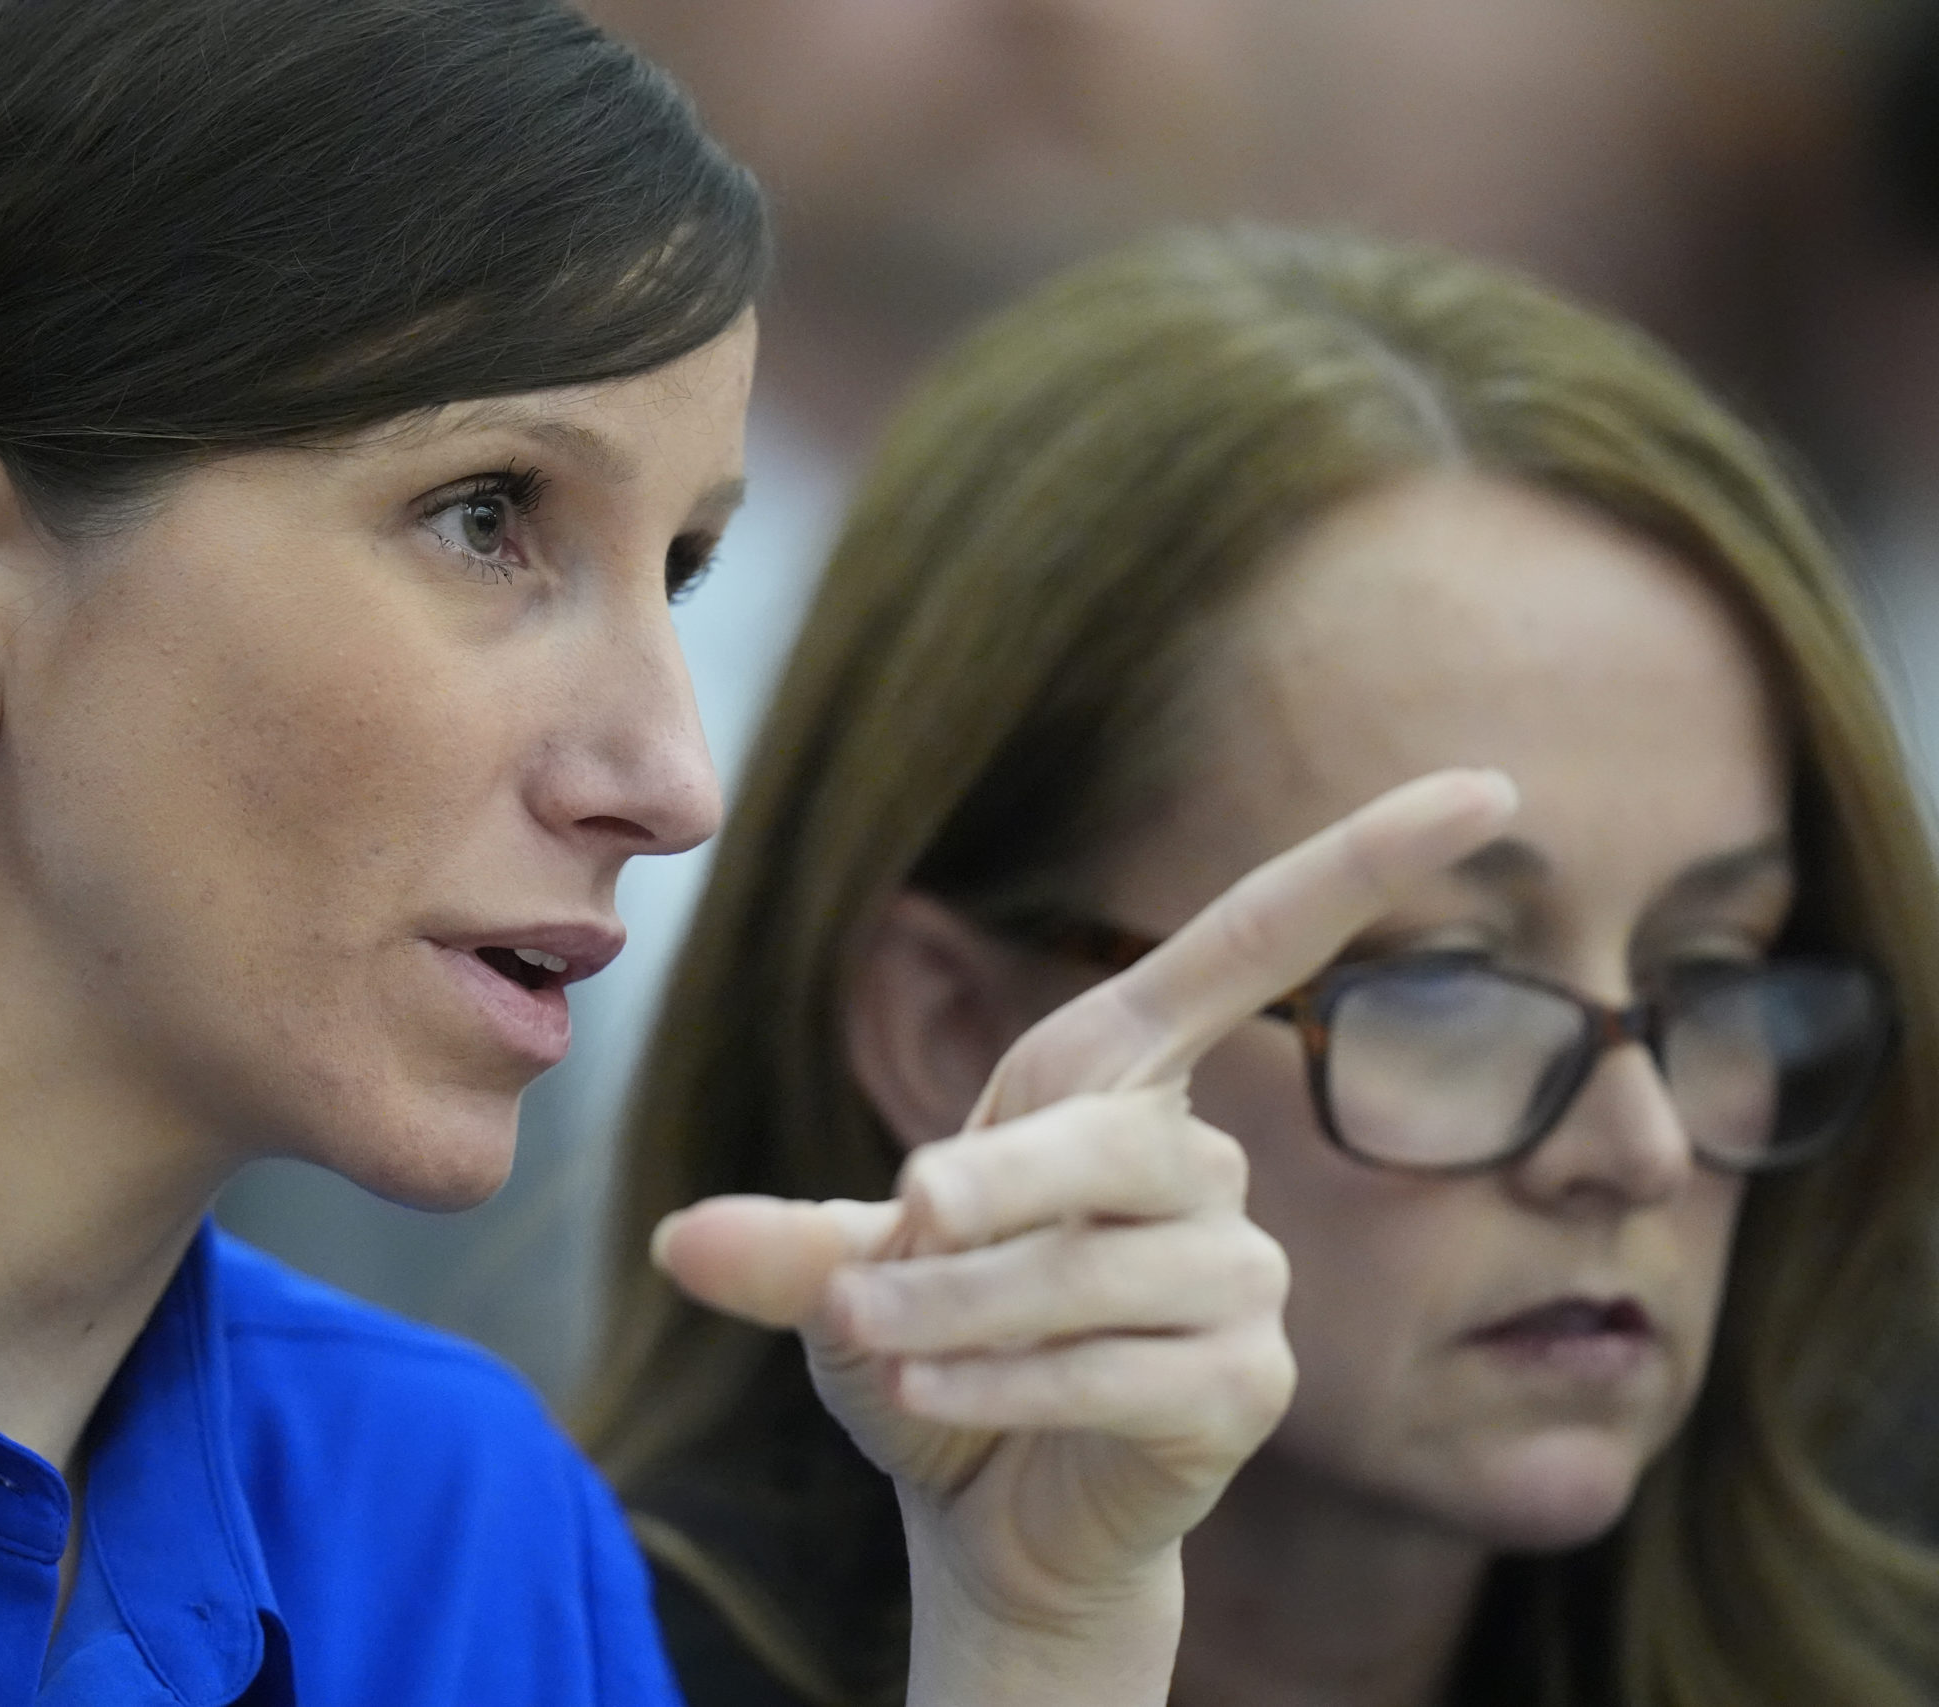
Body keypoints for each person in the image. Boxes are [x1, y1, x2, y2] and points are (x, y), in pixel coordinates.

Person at [0, 4, 1515, 1701]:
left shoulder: (467, 1531)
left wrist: (1035, 1629)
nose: (668, 774)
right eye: (489, 514)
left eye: (676, 566)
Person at [583, 226, 1939, 1707]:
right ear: (953, 1027)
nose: (1639, 1147)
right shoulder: (519, 1653)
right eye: (1445, 979)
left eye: (1718, 966)